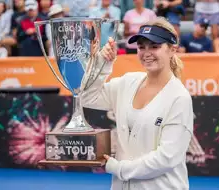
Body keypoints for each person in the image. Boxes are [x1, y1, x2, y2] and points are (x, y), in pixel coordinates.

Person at [82, 17, 204, 190]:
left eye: (154, 46)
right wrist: (102, 64)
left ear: (172, 49)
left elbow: (166, 158)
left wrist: (118, 168)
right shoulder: (127, 83)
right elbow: (87, 96)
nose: (147, 53)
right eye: (141, 47)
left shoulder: (179, 98)